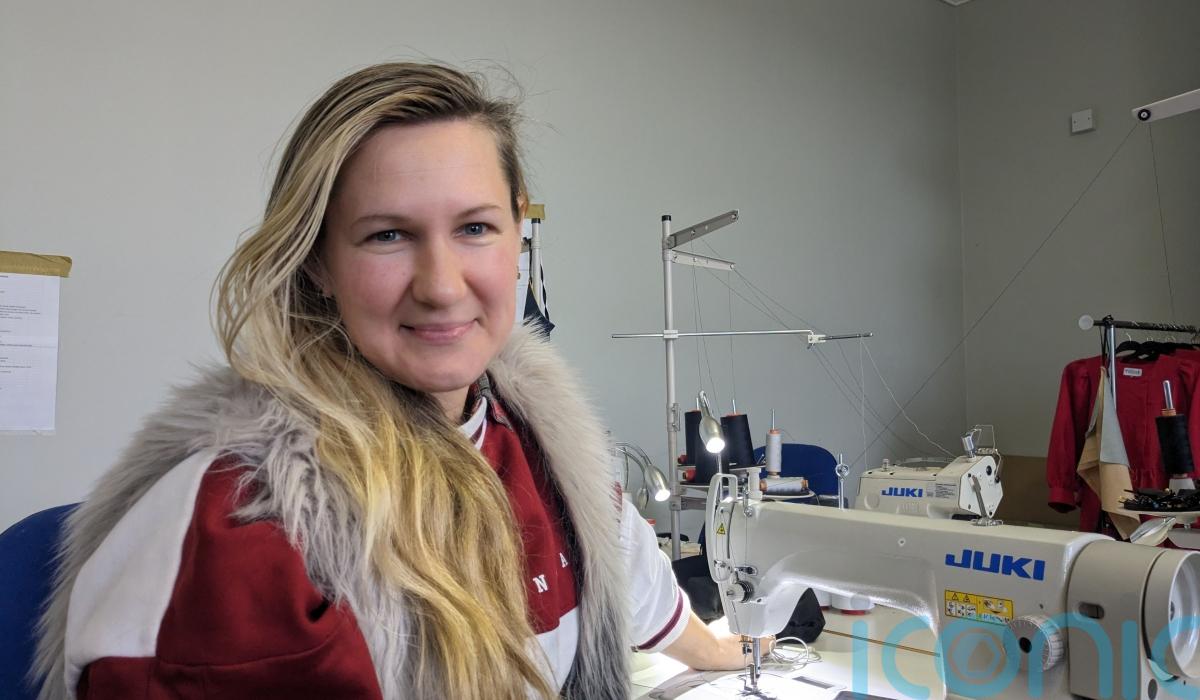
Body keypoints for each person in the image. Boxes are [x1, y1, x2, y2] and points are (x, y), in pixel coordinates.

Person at [32, 62, 760, 700]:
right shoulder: (239, 527)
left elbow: (634, 585)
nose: (441, 286)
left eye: (474, 228)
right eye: (388, 235)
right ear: (318, 262)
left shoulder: (544, 443)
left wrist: (734, 649)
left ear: (518, 232)